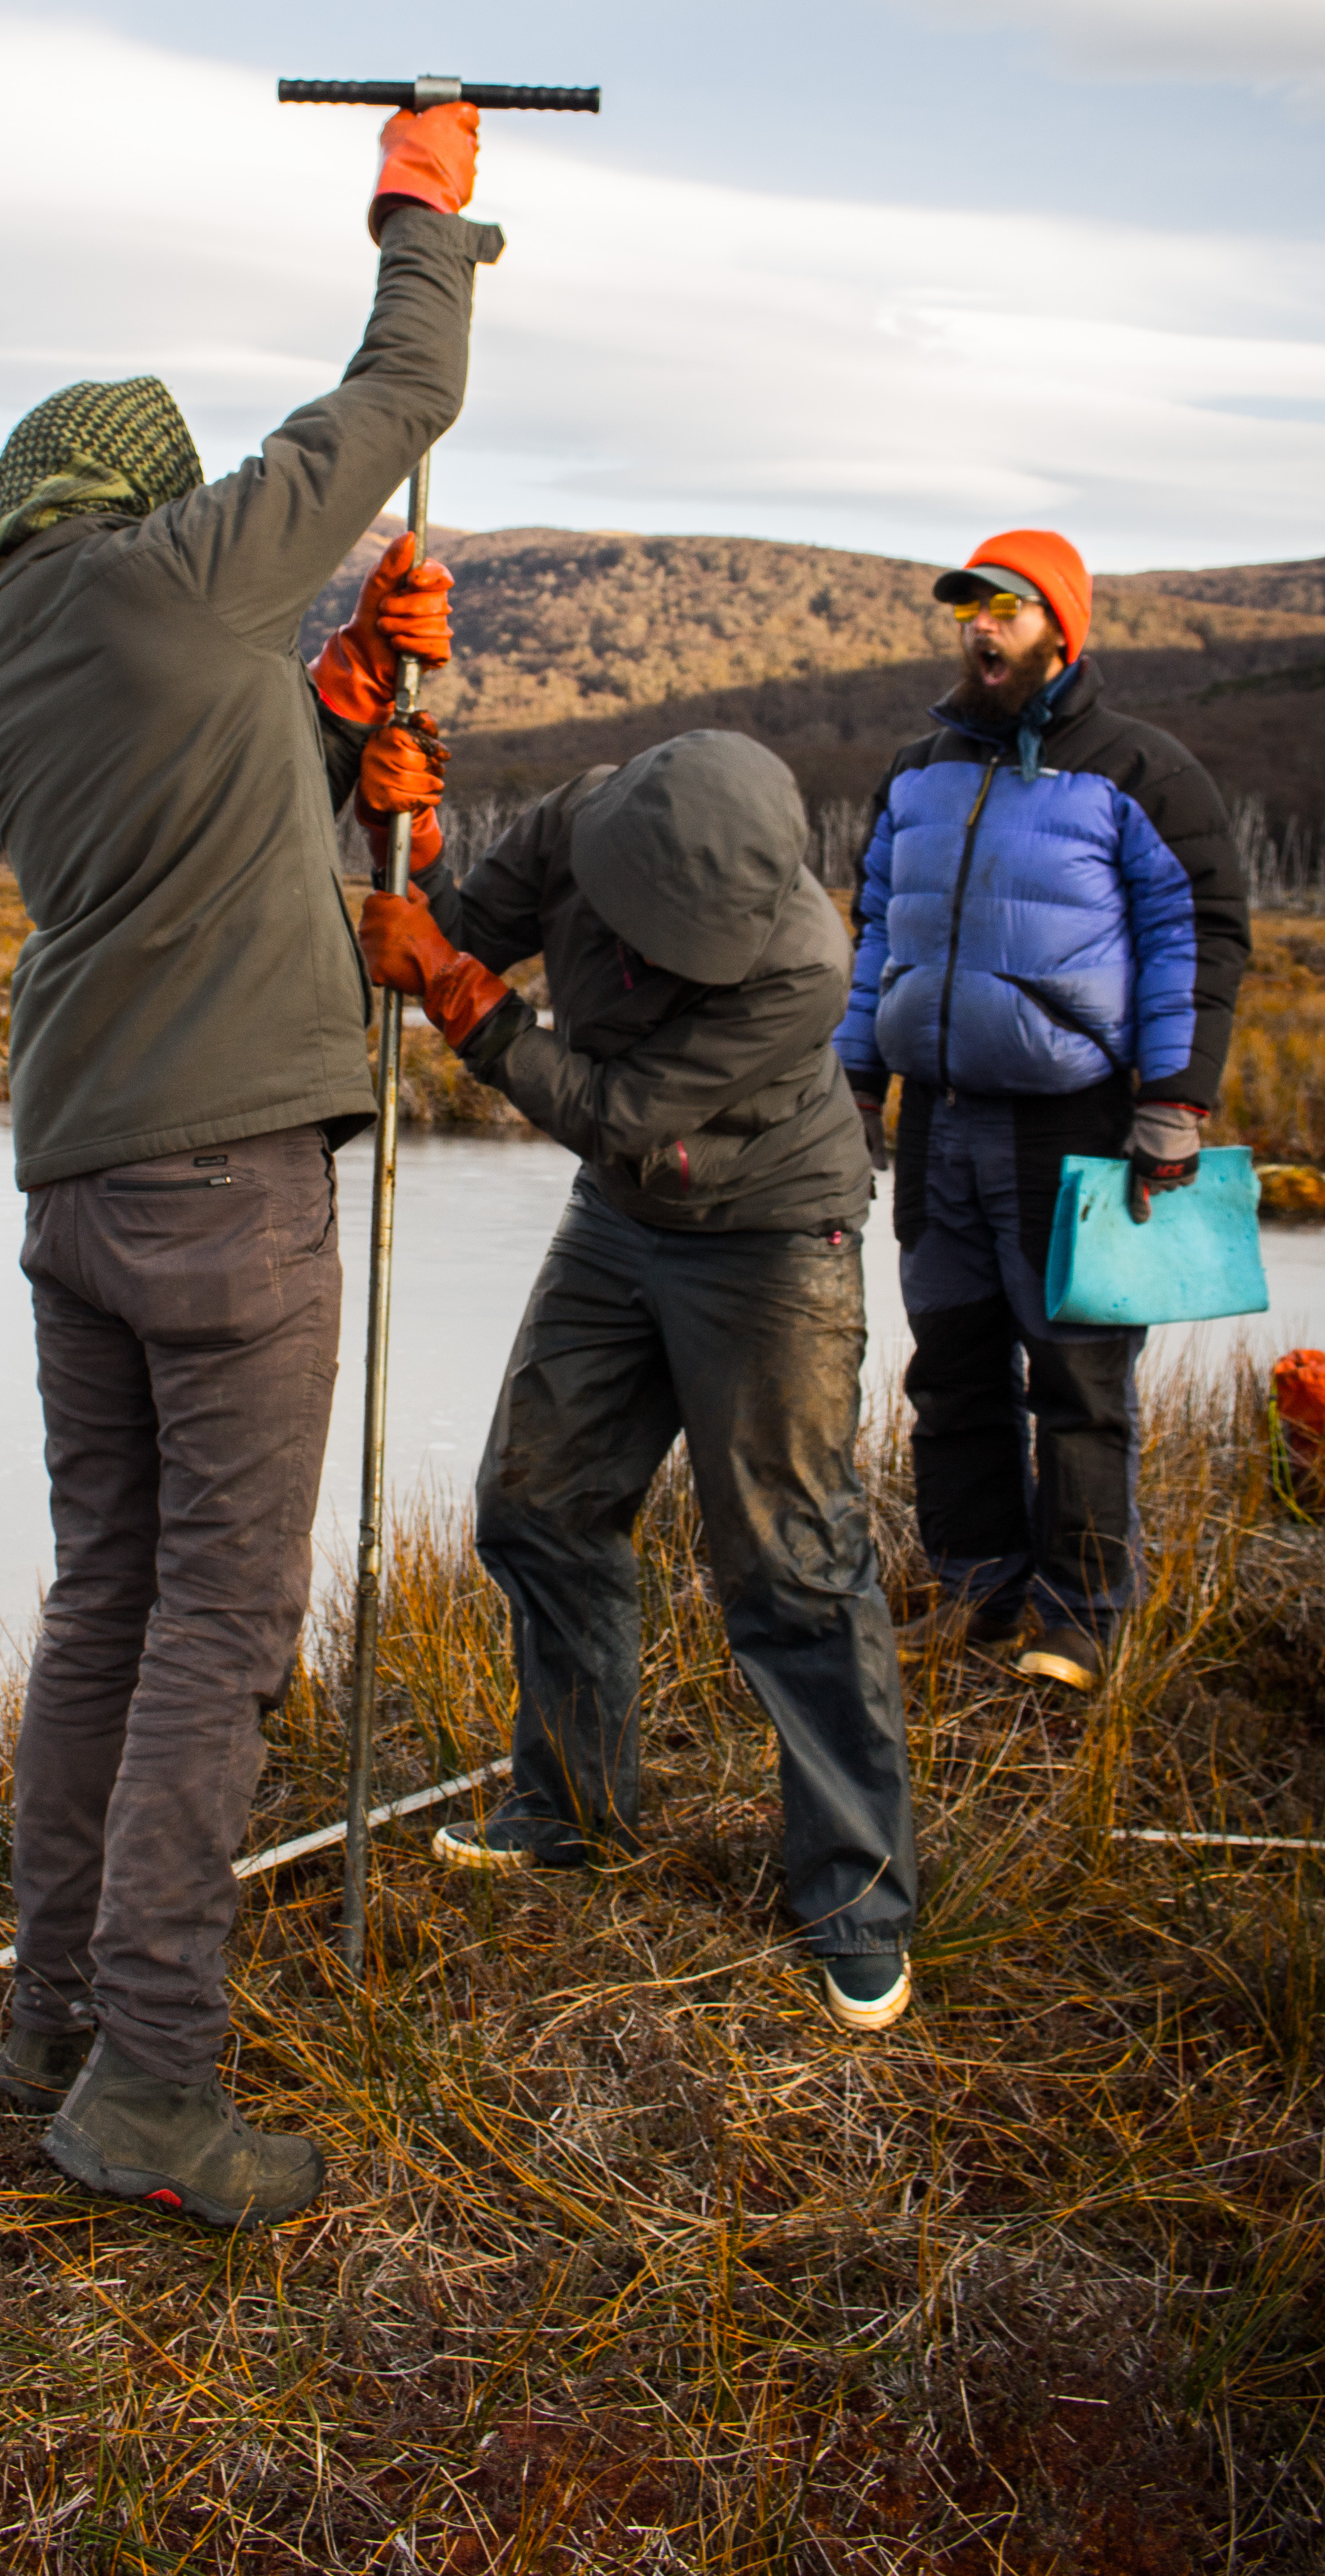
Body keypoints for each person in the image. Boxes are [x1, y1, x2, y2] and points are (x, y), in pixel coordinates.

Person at [0, 103, 502, 2227]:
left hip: (82, 1183)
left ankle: (51, 2028)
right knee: (217, 1632)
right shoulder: (160, 575)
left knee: (109, 1605)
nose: (211, 520)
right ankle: (153, 2086)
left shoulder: (23, 665)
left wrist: (345, 696)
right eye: (182, 497)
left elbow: (218, 792)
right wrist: (424, 222)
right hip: (221, 1187)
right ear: (131, 506)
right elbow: (406, 393)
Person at [353, 724, 919, 2034]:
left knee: (790, 1563)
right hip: (623, 1224)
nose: (662, 958)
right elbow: (458, 930)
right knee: (537, 1502)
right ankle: (568, 1807)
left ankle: (859, 1899)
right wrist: (415, 840)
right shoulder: (576, 821)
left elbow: (611, 1108)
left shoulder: (803, 969)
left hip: (774, 1236)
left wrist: (462, 1006)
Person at [838, 529, 1250, 1693]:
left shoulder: (1138, 771)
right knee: (951, 1366)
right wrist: (853, 1076)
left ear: (1058, 626)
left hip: (1065, 1122)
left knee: (1075, 1377)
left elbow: (1195, 938)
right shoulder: (918, 773)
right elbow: (875, 931)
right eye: (967, 607)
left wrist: (1173, 1099)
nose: (980, 626)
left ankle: (1075, 1618)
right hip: (935, 1121)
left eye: (1005, 608)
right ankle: (977, 1588)